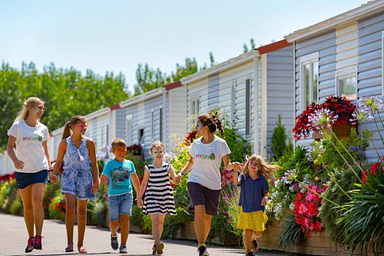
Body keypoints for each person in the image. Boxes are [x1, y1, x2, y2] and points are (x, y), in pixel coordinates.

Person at [175, 114, 235, 256]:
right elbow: (191, 162)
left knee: (208, 217)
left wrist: (234, 167)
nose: (196, 129)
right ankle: (201, 246)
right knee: (199, 211)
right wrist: (180, 174)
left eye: (198, 126)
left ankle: (203, 243)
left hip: (213, 185)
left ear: (205, 127)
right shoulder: (196, 144)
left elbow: (227, 165)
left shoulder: (220, 144)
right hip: (195, 181)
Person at [7, 97, 54, 253]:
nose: (41, 111)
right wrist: (15, 160)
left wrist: (50, 169)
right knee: (27, 207)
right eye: (39, 107)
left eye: (42, 108)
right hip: (23, 171)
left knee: (36, 201)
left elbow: (46, 151)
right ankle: (31, 237)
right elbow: (9, 148)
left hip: (40, 169)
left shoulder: (43, 129)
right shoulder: (18, 127)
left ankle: (39, 237)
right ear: (30, 108)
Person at [52, 115, 99, 253]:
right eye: (81, 125)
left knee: (82, 212)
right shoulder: (64, 143)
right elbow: (59, 162)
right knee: (71, 208)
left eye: (85, 125)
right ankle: (69, 243)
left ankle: (80, 244)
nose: (84, 128)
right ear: (72, 127)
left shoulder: (90, 143)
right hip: (69, 176)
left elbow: (94, 163)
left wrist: (96, 181)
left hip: (85, 177)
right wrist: (53, 174)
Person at [137, 141, 179, 255]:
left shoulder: (168, 167)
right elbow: (144, 183)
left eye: (160, 151)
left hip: (164, 196)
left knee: (160, 222)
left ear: (164, 152)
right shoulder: (149, 168)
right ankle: (158, 242)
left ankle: (156, 245)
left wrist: (177, 178)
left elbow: (174, 178)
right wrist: (140, 197)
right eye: (156, 152)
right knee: (155, 221)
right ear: (151, 153)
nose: (158, 154)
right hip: (152, 196)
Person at [232, 155, 279, 256]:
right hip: (245, 207)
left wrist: (265, 198)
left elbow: (266, 192)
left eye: (256, 164)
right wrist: (235, 171)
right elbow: (235, 182)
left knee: (259, 232)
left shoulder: (262, 180)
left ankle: (253, 238)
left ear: (260, 167)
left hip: (258, 208)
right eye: (251, 163)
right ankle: (248, 252)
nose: (253, 165)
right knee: (248, 230)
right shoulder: (243, 177)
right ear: (247, 165)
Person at [100, 138, 140, 254]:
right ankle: (113, 235)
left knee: (125, 219)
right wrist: (96, 186)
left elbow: (134, 179)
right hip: (113, 196)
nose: (122, 151)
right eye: (119, 150)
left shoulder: (129, 164)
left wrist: (139, 195)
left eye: (124, 149)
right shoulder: (110, 164)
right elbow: (103, 177)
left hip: (127, 195)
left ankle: (123, 245)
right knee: (114, 222)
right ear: (113, 151)